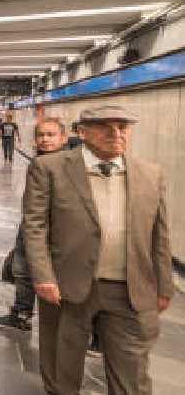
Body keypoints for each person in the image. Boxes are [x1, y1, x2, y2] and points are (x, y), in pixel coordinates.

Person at [24, 105, 173, 395]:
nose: (115, 133)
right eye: (105, 126)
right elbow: (35, 226)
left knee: (133, 374)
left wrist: (164, 284)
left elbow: (160, 234)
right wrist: (43, 275)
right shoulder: (50, 168)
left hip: (130, 289)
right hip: (67, 286)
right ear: (83, 132)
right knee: (61, 369)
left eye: (122, 127)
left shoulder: (150, 173)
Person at [0, 118, 67, 332]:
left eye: (51, 135)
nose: (45, 139)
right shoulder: (40, 162)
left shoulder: (69, 166)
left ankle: (88, 333)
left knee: (27, 270)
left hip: (47, 229)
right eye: (41, 135)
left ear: (64, 138)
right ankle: (21, 314)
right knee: (22, 270)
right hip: (33, 226)